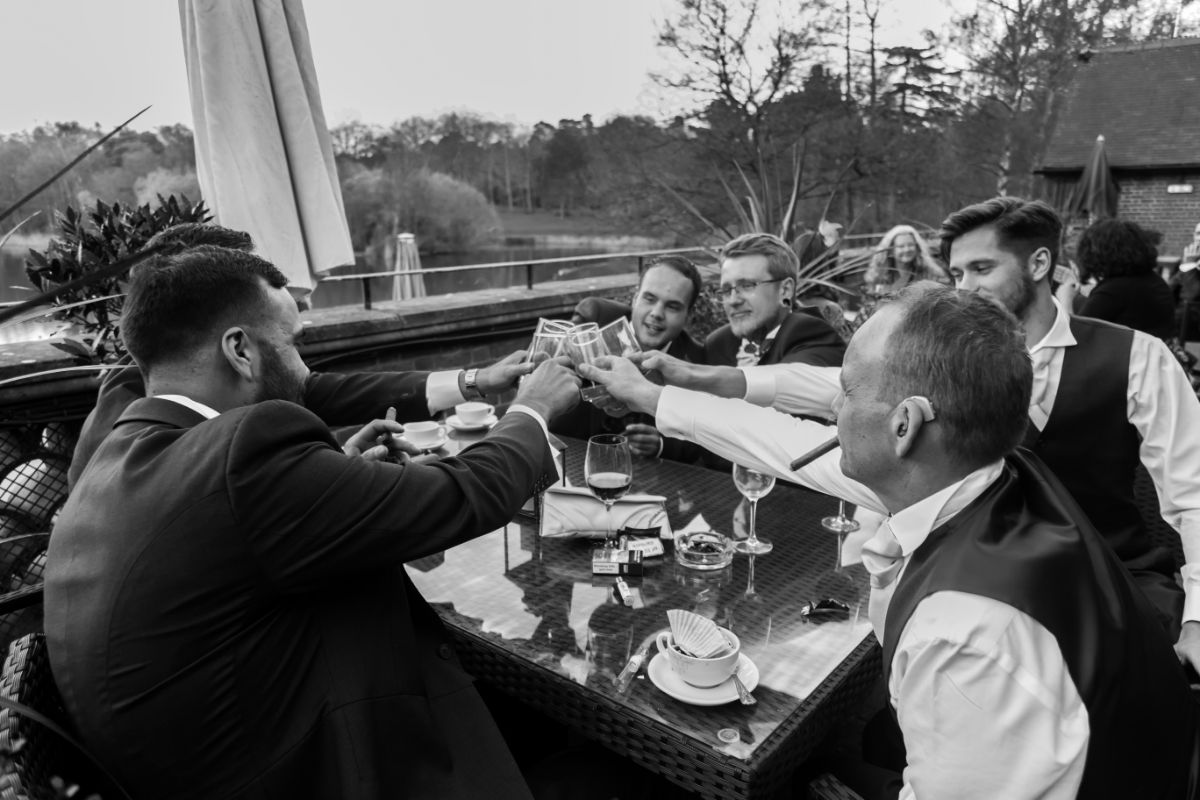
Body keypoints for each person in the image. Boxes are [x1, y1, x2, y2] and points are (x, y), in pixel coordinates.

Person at [579, 283, 1199, 798]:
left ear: (904, 426)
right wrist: (654, 397)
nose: (832, 410)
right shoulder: (989, 473)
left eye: (844, 392)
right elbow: (784, 444)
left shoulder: (965, 632)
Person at [45, 245, 581, 799]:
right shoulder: (244, 453)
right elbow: (462, 495)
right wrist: (532, 411)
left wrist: (335, 478)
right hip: (308, 770)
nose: (304, 368)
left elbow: (224, 543)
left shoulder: (119, 449)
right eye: (295, 344)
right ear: (240, 350)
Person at [642, 198, 1200, 665]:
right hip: (971, 583)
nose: (964, 288)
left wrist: (1198, 622)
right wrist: (706, 380)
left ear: (1038, 264)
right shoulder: (950, 358)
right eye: (956, 274)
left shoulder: (1137, 359)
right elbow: (834, 383)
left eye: (981, 269)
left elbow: (1193, 498)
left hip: (1110, 585)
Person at [67, 223, 536, 490]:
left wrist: (474, 380)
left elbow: (320, 391)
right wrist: (531, 412)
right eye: (248, 277)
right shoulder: (138, 435)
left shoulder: (170, 389)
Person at [557, 255, 706, 460]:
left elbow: (706, 443)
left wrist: (663, 445)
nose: (656, 313)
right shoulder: (593, 335)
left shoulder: (698, 363)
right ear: (635, 298)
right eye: (649, 299)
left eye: (672, 306)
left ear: (688, 315)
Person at [703, 232, 845, 369]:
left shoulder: (812, 334)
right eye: (727, 290)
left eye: (747, 286)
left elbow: (789, 384)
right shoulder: (718, 343)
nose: (733, 300)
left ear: (785, 290)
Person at [1072, 217, 1176, 339]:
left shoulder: (1114, 291)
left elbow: (1075, 335)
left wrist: (1066, 297)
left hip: (1126, 357)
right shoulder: (1153, 281)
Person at [861, 224, 947, 299]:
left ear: (917, 247)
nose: (907, 249)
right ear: (891, 250)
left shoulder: (931, 274)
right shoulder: (879, 276)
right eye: (901, 246)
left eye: (910, 245)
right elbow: (870, 303)